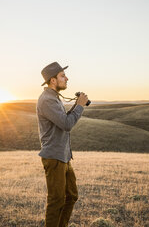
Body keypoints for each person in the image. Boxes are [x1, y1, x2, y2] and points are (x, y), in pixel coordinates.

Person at [36, 61, 89, 227]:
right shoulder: (47, 100)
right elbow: (67, 124)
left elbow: (63, 121)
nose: (66, 78)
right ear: (53, 80)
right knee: (56, 201)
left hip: (64, 156)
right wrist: (79, 106)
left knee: (71, 195)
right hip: (54, 157)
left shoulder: (54, 98)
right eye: (62, 76)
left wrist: (76, 105)